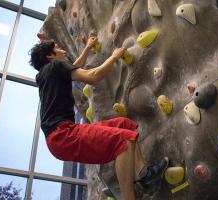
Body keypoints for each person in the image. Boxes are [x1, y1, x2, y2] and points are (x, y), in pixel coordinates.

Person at [29, 36, 169, 200]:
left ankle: (144, 175)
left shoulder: (49, 73)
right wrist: (114, 57)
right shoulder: (54, 66)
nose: (63, 51)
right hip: (62, 135)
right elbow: (93, 76)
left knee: (124, 124)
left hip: (61, 136)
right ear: (50, 56)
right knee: (123, 141)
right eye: (58, 48)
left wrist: (88, 48)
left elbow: (75, 67)